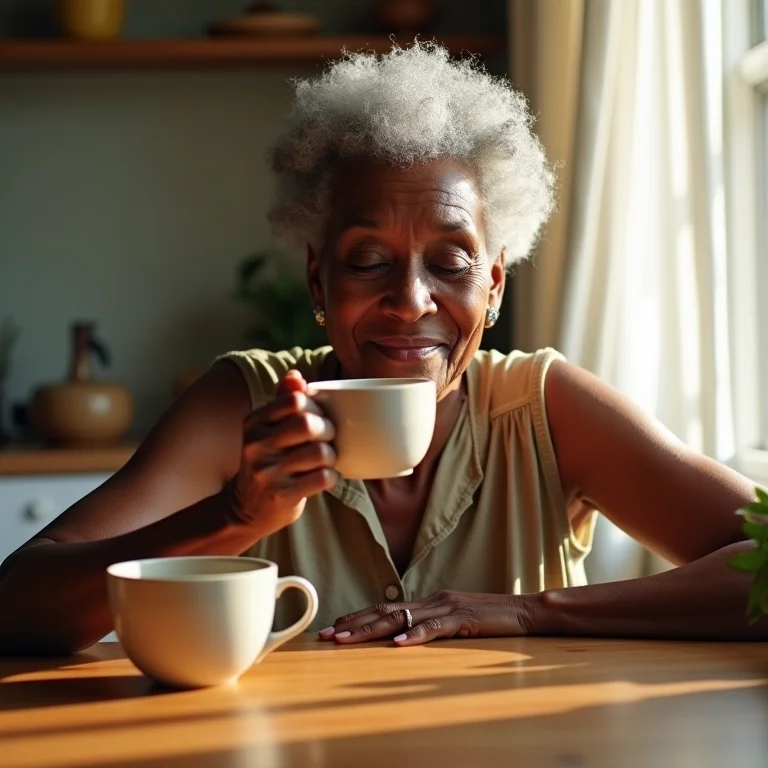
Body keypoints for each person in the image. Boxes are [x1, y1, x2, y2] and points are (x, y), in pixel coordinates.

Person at [0, 43, 762, 656]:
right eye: (367, 260)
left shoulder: (544, 408)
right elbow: (17, 606)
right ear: (318, 279)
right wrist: (235, 515)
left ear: (494, 288)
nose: (411, 299)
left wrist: (531, 612)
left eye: (451, 262)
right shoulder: (248, 405)